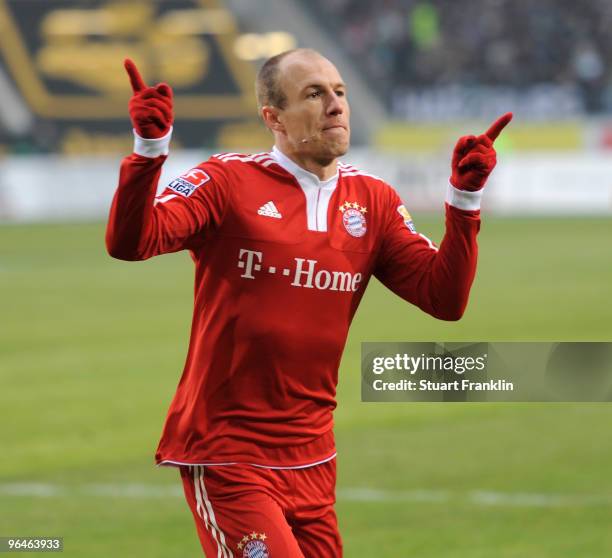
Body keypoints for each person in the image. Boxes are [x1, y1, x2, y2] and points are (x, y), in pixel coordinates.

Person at [106, 48, 511, 558]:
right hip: (229, 453)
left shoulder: (374, 200)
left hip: (314, 457)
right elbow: (131, 242)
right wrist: (148, 151)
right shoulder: (226, 181)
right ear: (273, 117)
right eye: (314, 94)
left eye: (339, 91)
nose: (336, 105)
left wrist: (464, 202)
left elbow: (444, 298)